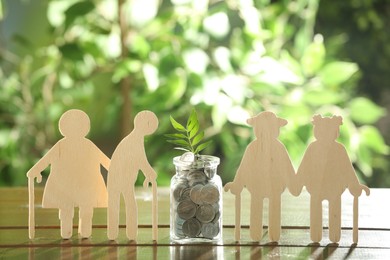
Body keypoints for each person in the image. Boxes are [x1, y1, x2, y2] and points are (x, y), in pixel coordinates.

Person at [27, 109, 110, 239]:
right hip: (65, 185)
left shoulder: (88, 145)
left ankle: (85, 231)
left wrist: (117, 169)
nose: (75, 129)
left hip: (86, 185)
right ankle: (67, 231)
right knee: (66, 209)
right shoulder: (61, 145)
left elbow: (105, 161)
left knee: (86, 211)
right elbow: (47, 159)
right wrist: (35, 170)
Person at [225, 111, 298, 241]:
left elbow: (287, 167)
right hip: (256, 187)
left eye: (270, 129)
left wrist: (294, 185)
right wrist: (237, 184)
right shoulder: (252, 148)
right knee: (256, 209)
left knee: (274, 210)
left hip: (275, 187)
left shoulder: (279, 148)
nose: (266, 133)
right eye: (263, 129)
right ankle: (256, 234)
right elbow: (244, 168)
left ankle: (274, 235)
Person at [296, 115, 370, 243]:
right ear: (317, 132)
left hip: (335, 189)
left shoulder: (339, 149)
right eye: (322, 131)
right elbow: (304, 168)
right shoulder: (312, 148)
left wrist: (355, 186)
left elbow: (347, 170)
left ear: (335, 132)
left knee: (335, 212)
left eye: (329, 131)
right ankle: (316, 235)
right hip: (316, 188)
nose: (326, 135)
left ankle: (334, 235)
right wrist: (297, 183)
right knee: (316, 213)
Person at [107, 110, 158, 240]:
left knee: (119, 204)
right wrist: (149, 172)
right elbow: (140, 160)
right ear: (144, 124)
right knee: (124, 204)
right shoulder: (134, 140)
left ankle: (122, 233)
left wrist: (148, 172)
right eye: (150, 124)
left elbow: (139, 160)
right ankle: (121, 233)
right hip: (120, 178)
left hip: (122, 178)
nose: (152, 128)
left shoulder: (134, 139)